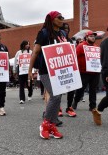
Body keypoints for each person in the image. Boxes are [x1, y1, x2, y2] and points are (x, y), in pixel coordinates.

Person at [28, 11, 66, 139]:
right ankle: (45, 125)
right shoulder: (43, 33)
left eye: (63, 17)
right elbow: (35, 52)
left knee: (58, 97)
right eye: (59, 18)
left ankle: (51, 124)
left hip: (60, 70)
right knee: (55, 96)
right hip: (46, 70)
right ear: (52, 19)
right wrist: (29, 70)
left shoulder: (62, 34)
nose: (62, 20)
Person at [72, 31, 100, 111]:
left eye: (94, 36)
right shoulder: (81, 46)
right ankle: (75, 101)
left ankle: (92, 106)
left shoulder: (96, 47)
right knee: (81, 89)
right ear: (86, 37)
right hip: (84, 72)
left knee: (93, 90)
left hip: (95, 72)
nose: (93, 37)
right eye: (91, 36)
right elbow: (75, 57)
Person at [58, 23, 76, 117]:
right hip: (59, 66)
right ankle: (58, 108)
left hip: (69, 66)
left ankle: (69, 107)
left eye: (68, 29)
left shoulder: (70, 40)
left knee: (71, 88)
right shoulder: (56, 39)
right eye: (64, 28)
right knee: (59, 89)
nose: (66, 30)